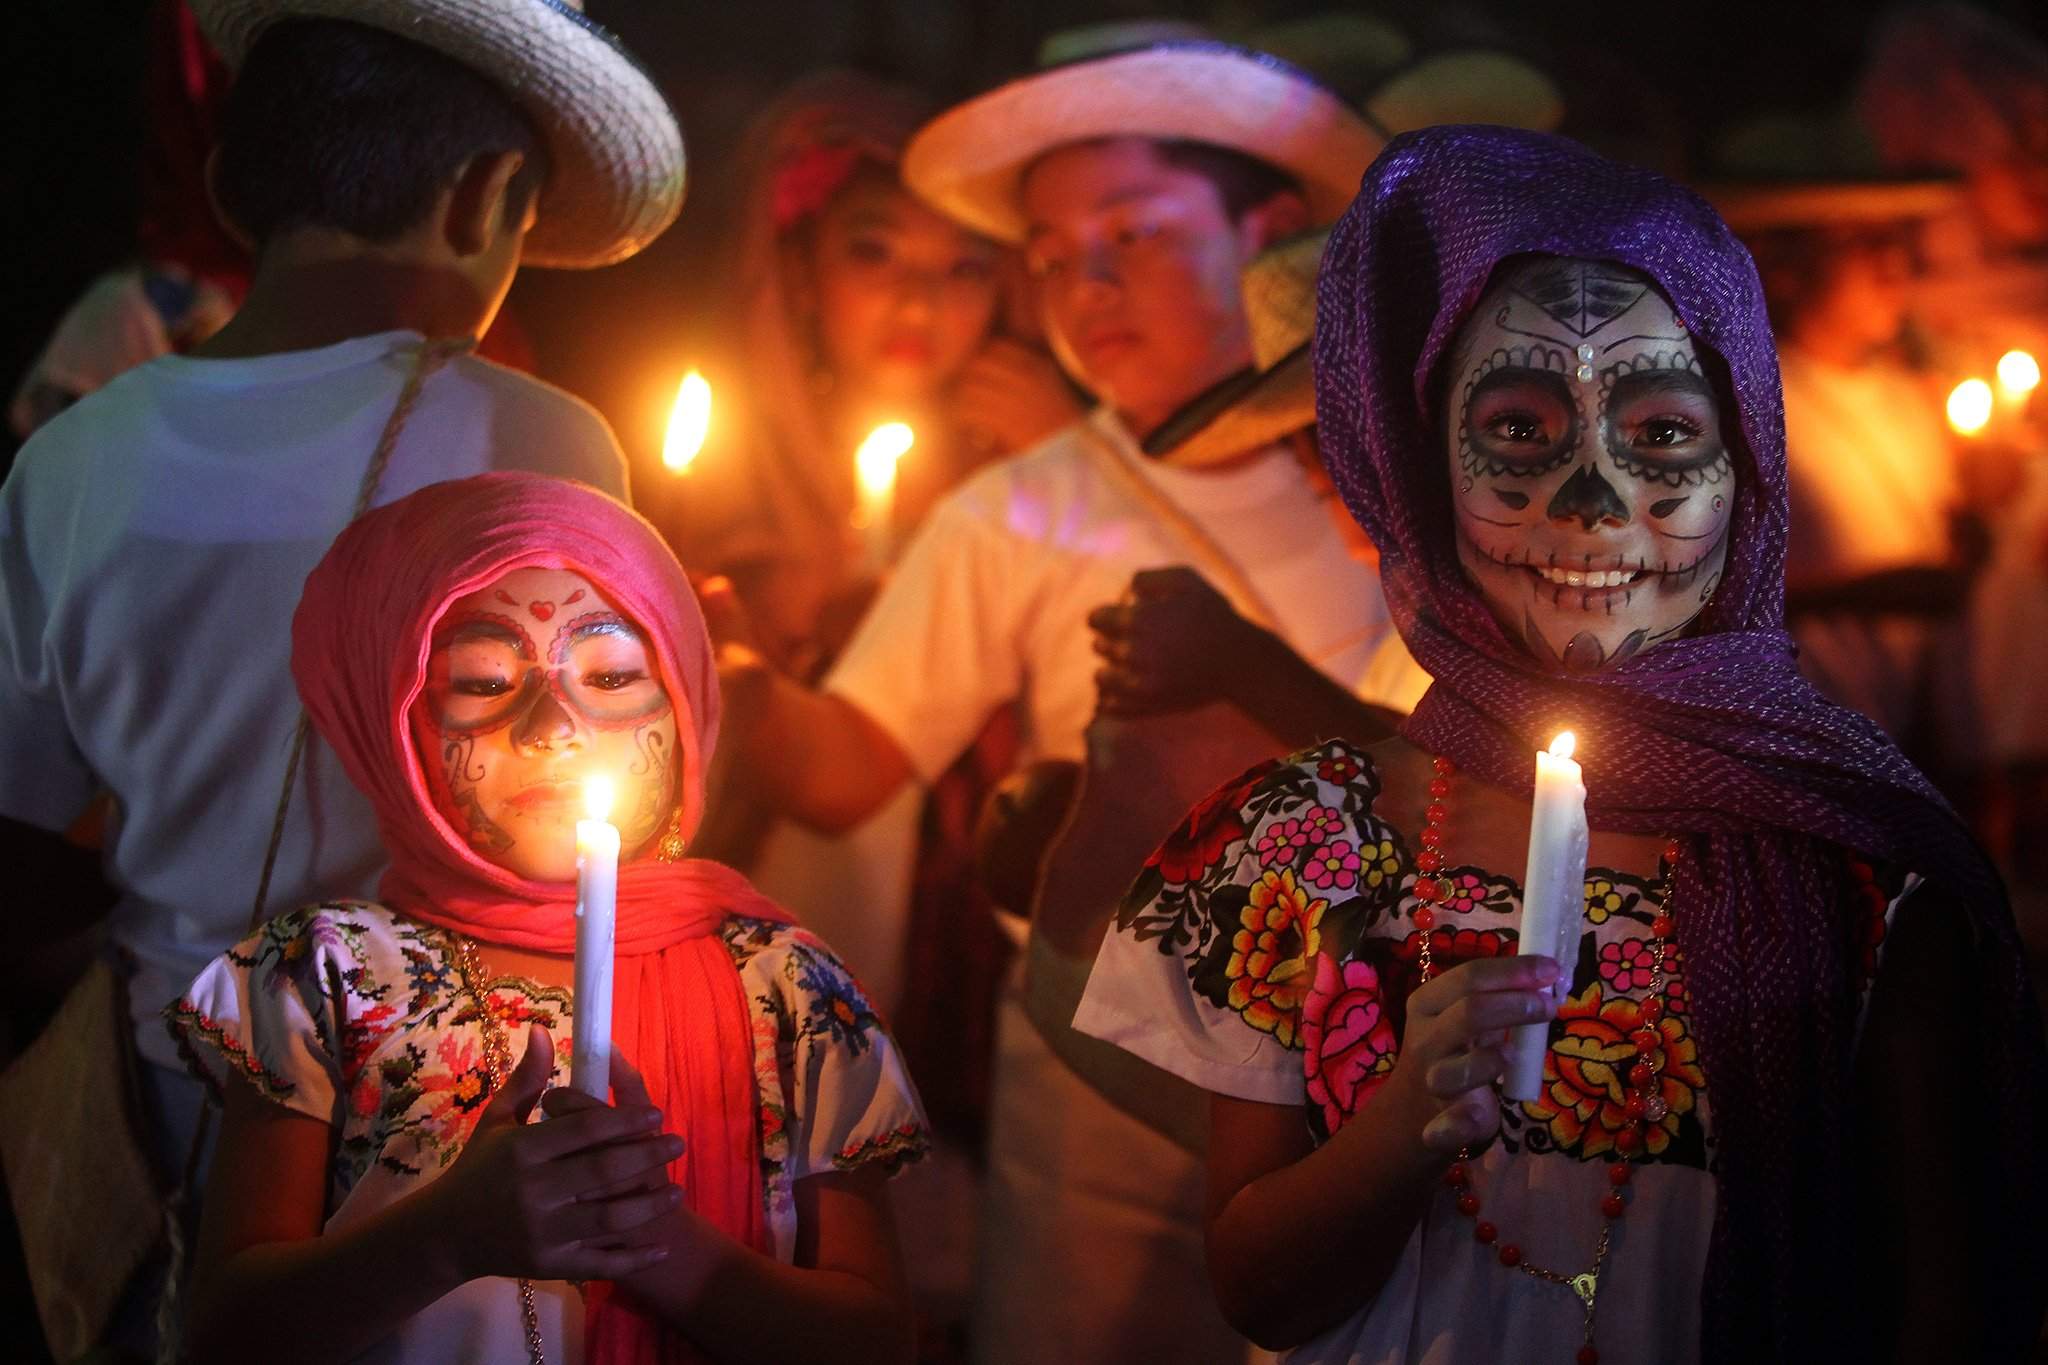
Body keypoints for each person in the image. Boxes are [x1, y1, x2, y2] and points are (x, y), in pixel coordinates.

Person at [1076, 125, 2045, 1363]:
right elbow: (1261, 1294)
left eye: (1658, 436)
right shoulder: (1311, 840)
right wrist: (1396, 1132)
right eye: (1522, 432)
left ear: (1744, 466)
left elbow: (1940, 1314)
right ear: (1417, 473)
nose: (1590, 503)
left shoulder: (1858, 863)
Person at [0, 2, 681, 1346]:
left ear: (234, 177)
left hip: (153, 1101)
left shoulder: (69, 461)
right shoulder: (539, 441)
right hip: (438, 1132)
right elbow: (592, 798)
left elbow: (20, 846)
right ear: (491, 197)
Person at [720, 40, 1404, 1363]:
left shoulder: (1389, 487)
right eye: (1046, 251)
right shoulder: (1023, 502)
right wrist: (741, 683)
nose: (1083, 282)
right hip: (1095, 1085)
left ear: (1268, 232)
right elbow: (856, 759)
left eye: (1134, 233)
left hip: (1351, 1076)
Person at [170, 472, 926, 1364]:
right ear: (399, 722)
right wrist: (446, 1236)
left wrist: (659, 1240)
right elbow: (221, 1333)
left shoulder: (792, 988)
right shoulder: (324, 975)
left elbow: (879, 1341)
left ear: (686, 702)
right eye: (487, 680)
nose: (553, 725)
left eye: (609, 674)